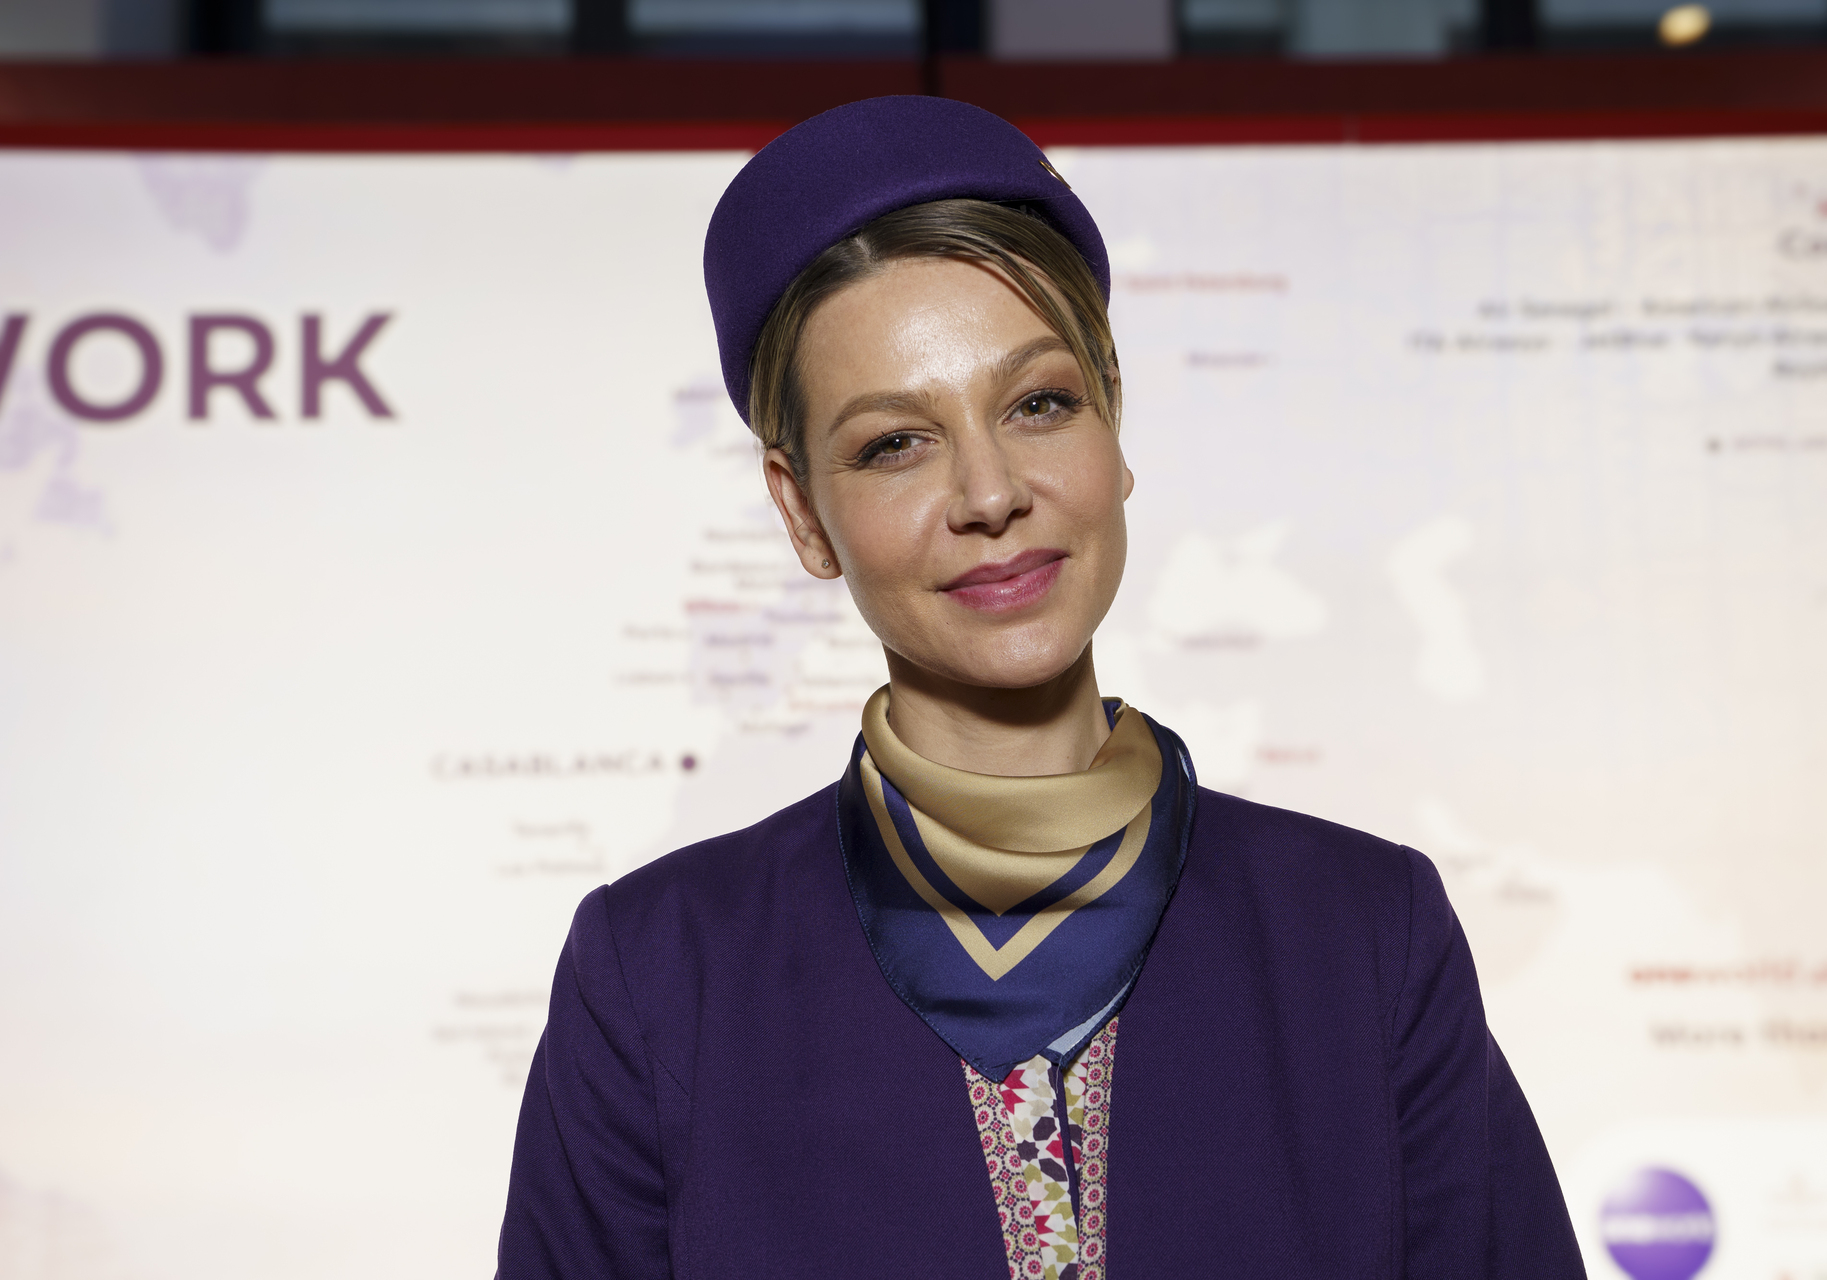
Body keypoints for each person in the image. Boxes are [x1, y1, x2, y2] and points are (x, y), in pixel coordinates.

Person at [496, 95, 1585, 1280]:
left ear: (1113, 419)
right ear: (802, 512)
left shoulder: (1366, 935)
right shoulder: (658, 976)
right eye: (894, 443)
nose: (990, 493)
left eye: (1040, 403)